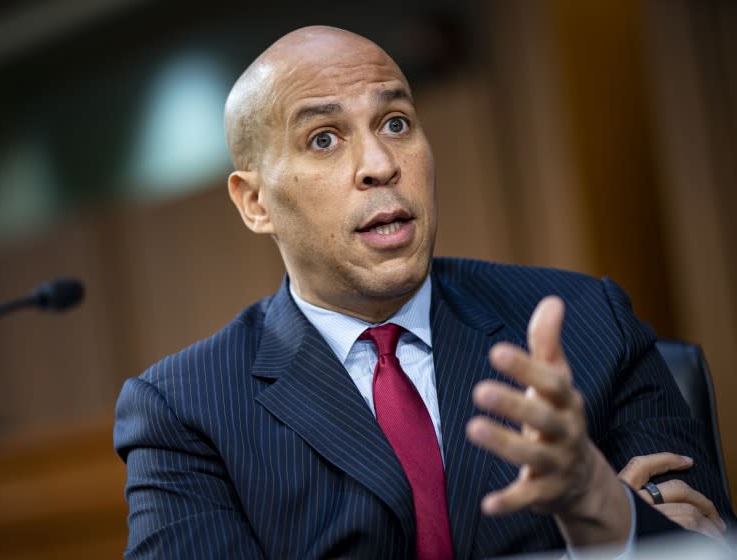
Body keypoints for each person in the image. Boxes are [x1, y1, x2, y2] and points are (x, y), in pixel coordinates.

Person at [114, 25, 733, 558]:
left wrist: (601, 506)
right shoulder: (184, 409)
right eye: (323, 138)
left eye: (395, 122)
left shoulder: (589, 323)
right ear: (254, 203)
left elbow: (700, 545)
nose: (381, 163)